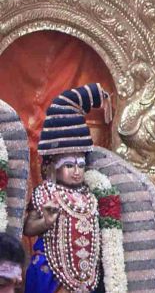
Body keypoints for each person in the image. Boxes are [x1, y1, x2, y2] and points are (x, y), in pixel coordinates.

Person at [24, 84, 111, 293]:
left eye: (81, 165)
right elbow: (27, 228)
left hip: (87, 276)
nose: (77, 171)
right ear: (54, 166)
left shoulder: (92, 195)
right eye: (69, 166)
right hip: (51, 272)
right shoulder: (45, 192)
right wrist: (46, 222)